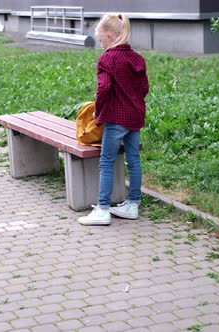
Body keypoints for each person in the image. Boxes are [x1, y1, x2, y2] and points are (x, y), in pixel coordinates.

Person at [78, 14, 149, 226]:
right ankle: (132, 204)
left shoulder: (107, 60)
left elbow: (104, 89)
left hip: (116, 119)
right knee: (134, 160)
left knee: (106, 162)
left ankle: (102, 209)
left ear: (110, 36)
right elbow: (144, 88)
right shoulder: (137, 59)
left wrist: (98, 112)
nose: (101, 44)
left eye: (101, 40)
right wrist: (133, 102)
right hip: (135, 117)